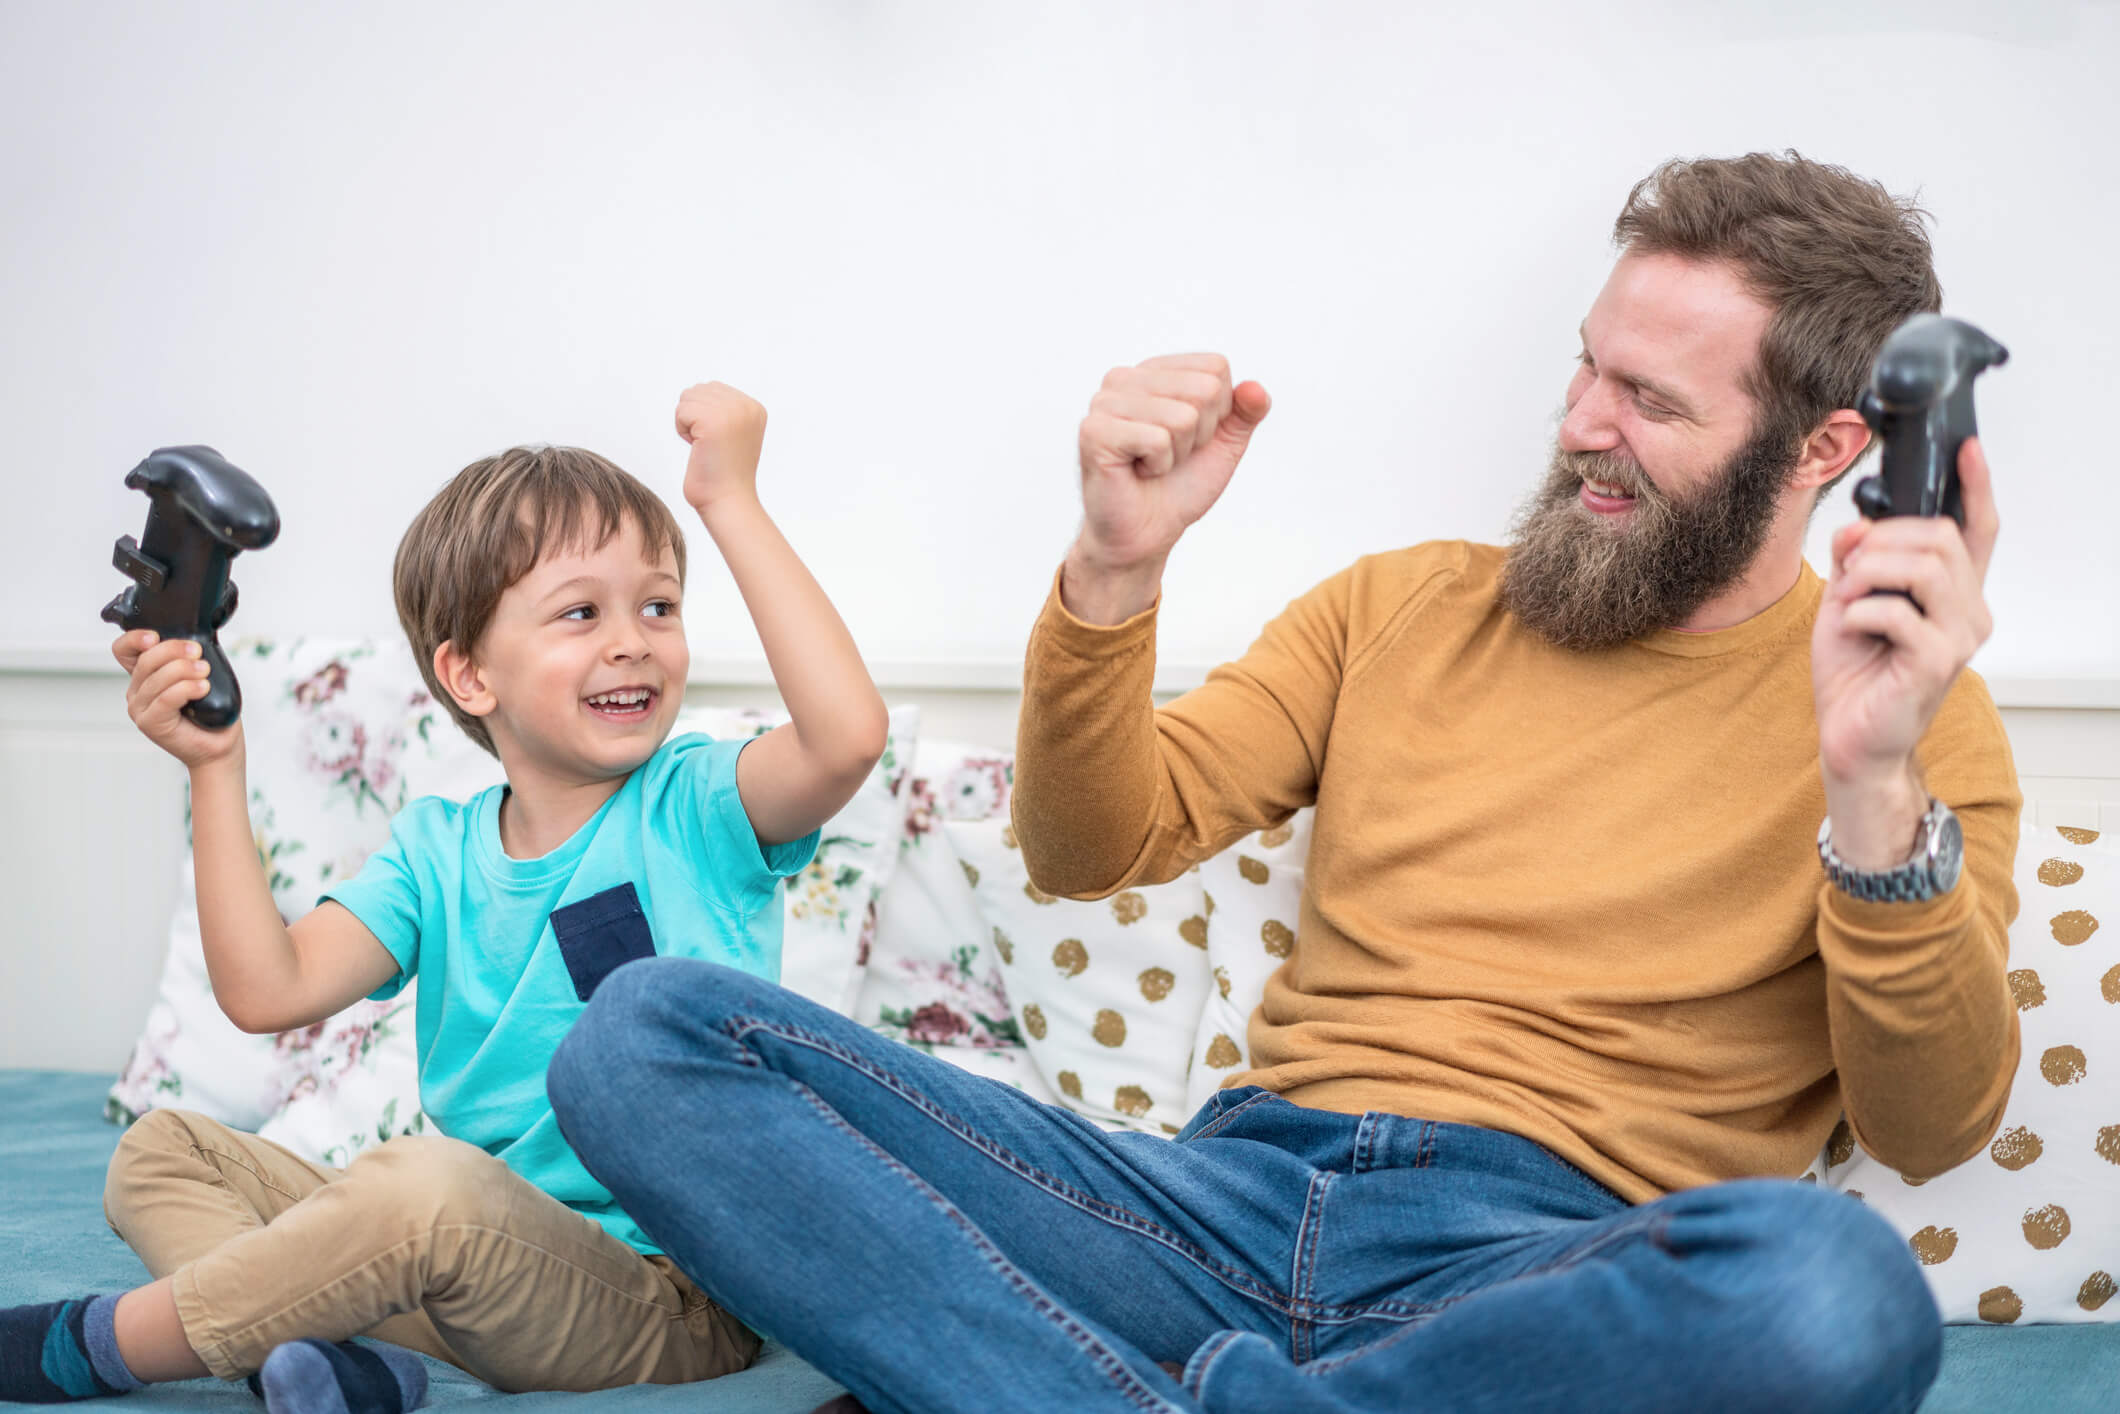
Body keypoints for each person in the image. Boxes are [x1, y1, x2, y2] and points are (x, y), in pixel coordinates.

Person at [544, 153, 2019, 1413]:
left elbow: (1929, 1121)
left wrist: (1871, 787)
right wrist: (1116, 570)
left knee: (1837, 1295)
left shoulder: (1901, 710)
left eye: (1650, 400)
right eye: (1586, 363)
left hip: (1533, 1266)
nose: (1578, 423)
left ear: (1827, 447)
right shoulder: (1401, 607)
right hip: (1201, 1212)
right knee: (641, 1034)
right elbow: (1085, 842)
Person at [0, 384, 886, 1412]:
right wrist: (214, 765)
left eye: (657, 604)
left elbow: (845, 739)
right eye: (579, 613)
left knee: (424, 1184)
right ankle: (301, 1358)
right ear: (469, 677)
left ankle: (107, 1343)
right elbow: (266, 988)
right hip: (471, 1265)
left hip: (665, 1300)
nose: (633, 639)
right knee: (165, 1148)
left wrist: (729, 499)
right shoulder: (437, 851)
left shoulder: (699, 806)